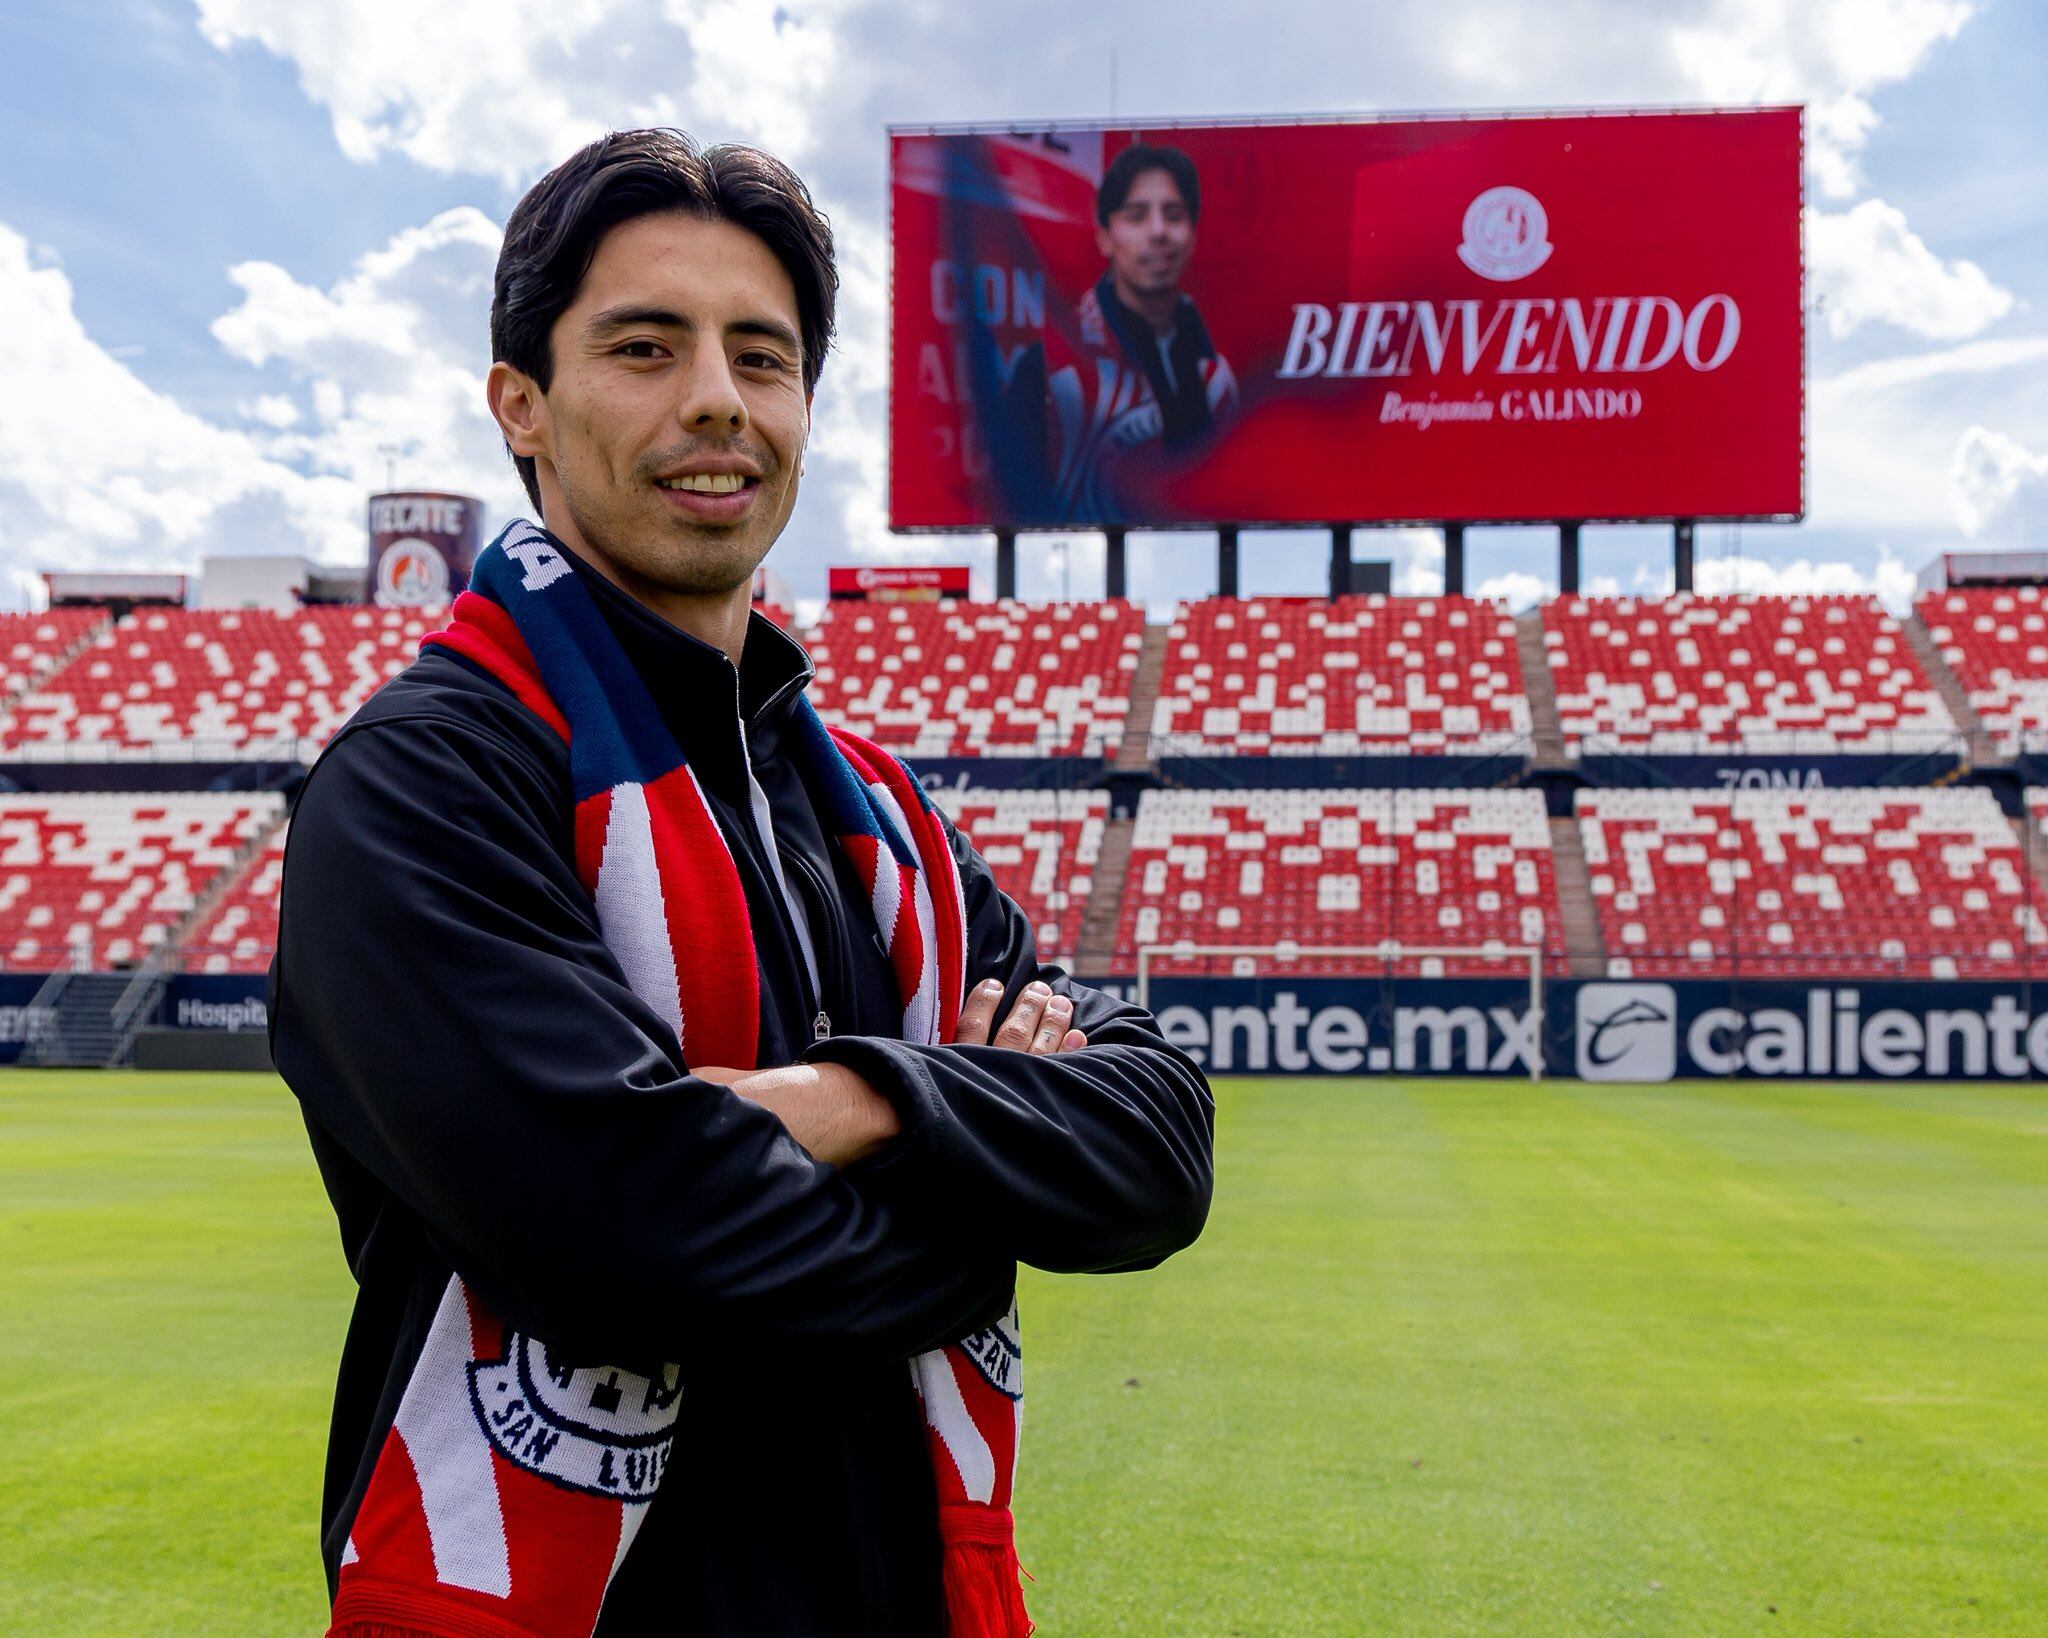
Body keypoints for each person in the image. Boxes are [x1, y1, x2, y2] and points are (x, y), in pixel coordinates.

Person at [269, 127, 1213, 1638]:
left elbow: (1162, 1143)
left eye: (760, 357)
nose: (716, 395)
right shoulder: (422, 780)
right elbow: (630, 1240)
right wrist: (985, 1178)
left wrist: (858, 1100)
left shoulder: (878, 815)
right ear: (522, 404)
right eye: (644, 346)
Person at [1027, 142, 1240, 521]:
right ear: (1105, 236)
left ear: (1193, 234)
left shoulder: (1217, 380)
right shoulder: (1052, 369)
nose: (1158, 232)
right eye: (1136, 216)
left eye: (1174, 215)